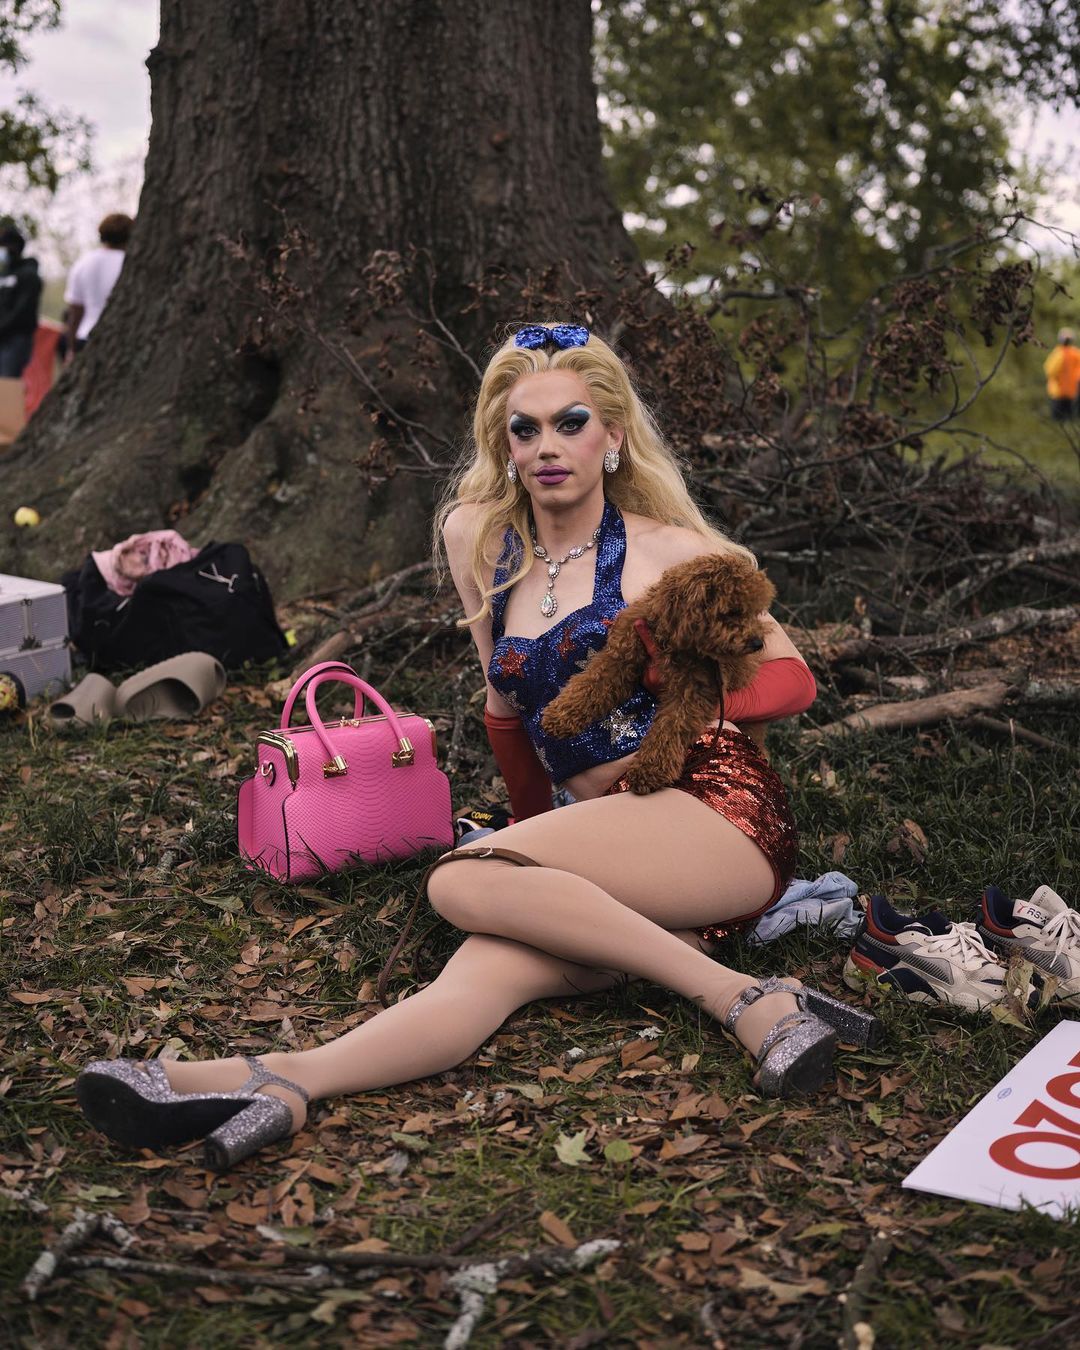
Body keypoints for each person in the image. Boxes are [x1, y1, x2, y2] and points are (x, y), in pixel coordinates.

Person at [76, 324, 878, 1170]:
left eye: (570, 423)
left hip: (713, 816)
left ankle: (746, 1001)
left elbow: (793, 679)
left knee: (460, 877)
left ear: (610, 438)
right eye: (524, 430)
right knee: (480, 972)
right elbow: (506, 712)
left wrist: (671, 680)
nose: (547, 447)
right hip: (610, 841)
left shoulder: (674, 551)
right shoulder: (479, 539)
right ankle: (280, 1082)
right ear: (504, 445)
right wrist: (533, 838)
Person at [63, 212, 133, 359]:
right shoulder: (132, 264)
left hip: (86, 336)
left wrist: (71, 347)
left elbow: (75, 311)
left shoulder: (84, 263)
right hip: (122, 339)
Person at [0, 224, 42, 378]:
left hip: (15, 340)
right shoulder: (4, 273)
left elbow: (22, 310)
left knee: (6, 385)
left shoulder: (28, 275)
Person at [1043, 328, 1080, 421]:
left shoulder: (1058, 354)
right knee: (1070, 419)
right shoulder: (1076, 353)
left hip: (1058, 392)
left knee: (1058, 420)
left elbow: (1049, 371)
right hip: (1072, 392)